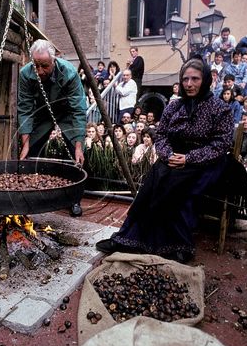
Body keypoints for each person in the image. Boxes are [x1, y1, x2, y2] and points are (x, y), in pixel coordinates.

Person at [96, 57, 234, 263]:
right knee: (154, 178)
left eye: (195, 79)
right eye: (185, 79)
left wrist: (188, 158)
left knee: (176, 184)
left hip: (206, 161)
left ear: (205, 80)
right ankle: (128, 236)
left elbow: (221, 144)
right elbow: (160, 135)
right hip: (174, 156)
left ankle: (179, 244)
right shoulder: (174, 106)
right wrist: (168, 155)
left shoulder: (220, 108)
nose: (189, 84)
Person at [18, 39, 87, 217]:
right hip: (42, 113)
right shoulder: (26, 74)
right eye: (36, 66)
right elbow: (25, 107)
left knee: (75, 153)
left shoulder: (69, 73)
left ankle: (74, 200)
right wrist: (25, 142)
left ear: (54, 60)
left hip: (66, 112)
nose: (40, 71)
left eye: (45, 66)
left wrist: (79, 145)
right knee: (30, 150)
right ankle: (29, 194)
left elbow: (78, 110)